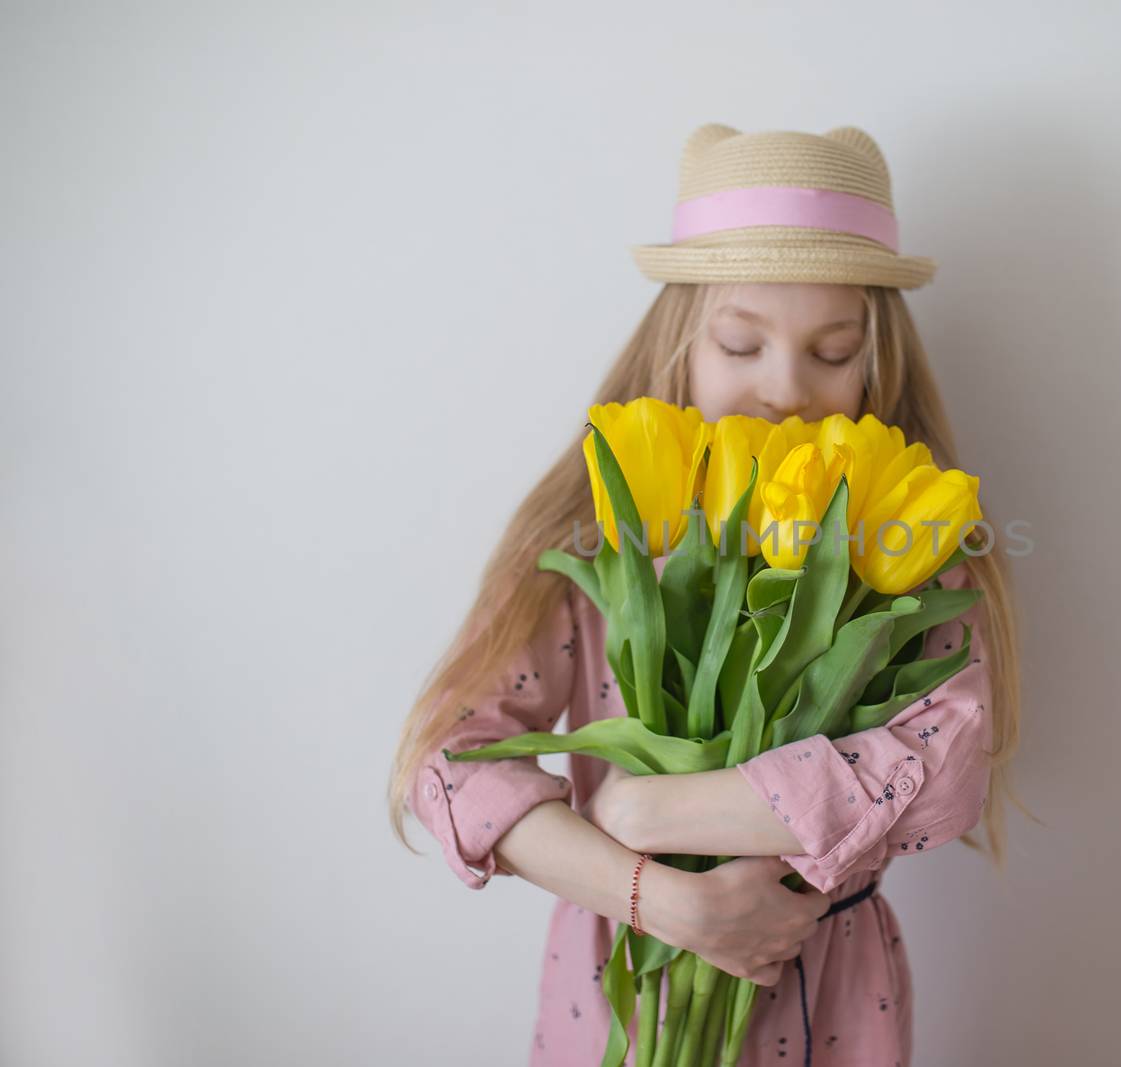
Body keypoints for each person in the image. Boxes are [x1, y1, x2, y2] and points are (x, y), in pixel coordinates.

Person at [387, 123, 1025, 1066]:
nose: (785, 389)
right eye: (740, 342)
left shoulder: (911, 540)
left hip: (823, 979)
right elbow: (448, 763)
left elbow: (945, 770)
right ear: (680, 343)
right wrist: (665, 898)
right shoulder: (603, 535)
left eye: (832, 350)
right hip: (622, 965)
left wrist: (657, 812)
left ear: (875, 364)